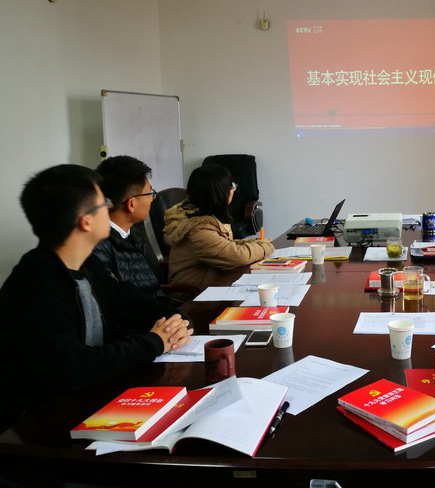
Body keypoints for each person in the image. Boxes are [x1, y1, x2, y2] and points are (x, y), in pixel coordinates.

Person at [0, 165, 192, 427]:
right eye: (104, 203)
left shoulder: (87, 265)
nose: (110, 208)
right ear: (85, 221)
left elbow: (136, 304)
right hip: (43, 421)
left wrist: (174, 321)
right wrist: (154, 343)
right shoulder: (34, 284)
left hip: (97, 396)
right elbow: (71, 368)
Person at [163, 163, 274, 289]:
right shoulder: (198, 229)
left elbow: (223, 245)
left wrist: (253, 242)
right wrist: (265, 246)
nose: (233, 190)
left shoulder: (201, 216)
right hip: (195, 295)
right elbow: (237, 256)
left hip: (211, 282)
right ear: (222, 193)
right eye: (232, 186)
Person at [93, 155, 166, 299]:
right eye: (149, 193)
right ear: (131, 204)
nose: (152, 199)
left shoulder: (133, 234)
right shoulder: (100, 248)